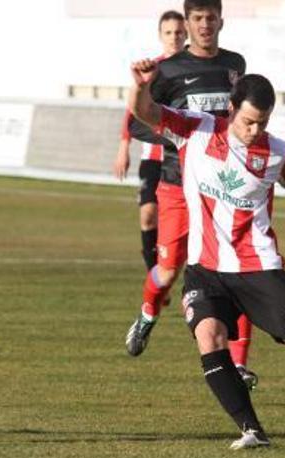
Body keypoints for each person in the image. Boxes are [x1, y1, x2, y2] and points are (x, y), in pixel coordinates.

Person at [129, 64, 285, 449]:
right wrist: (140, 86)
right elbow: (147, 113)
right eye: (248, 122)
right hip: (205, 268)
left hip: (257, 267)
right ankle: (252, 430)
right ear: (230, 109)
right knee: (209, 337)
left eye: (262, 122)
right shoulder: (195, 129)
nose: (255, 130)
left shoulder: (276, 152)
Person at [124, 0, 258, 390]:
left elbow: (242, 118)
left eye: (210, 18)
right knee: (167, 270)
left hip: (224, 188)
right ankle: (149, 313)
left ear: (221, 21)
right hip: (177, 185)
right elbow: (139, 124)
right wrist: (182, 134)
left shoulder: (235, 65)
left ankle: (239, 364)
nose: (204, 25)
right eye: (197, 19)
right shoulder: (167, 69)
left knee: (240, 267)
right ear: (187, 22)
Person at [113, 10, 186, 272]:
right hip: (153, 155)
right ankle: (153, 274)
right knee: (147, 214)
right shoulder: (153, 69)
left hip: (186, 157)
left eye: (178, 32)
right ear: (160, 36)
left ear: (186, 33)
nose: (174, 38)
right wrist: (124, 146)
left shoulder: (196, 67)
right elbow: (132, 109)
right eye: (168, 33)